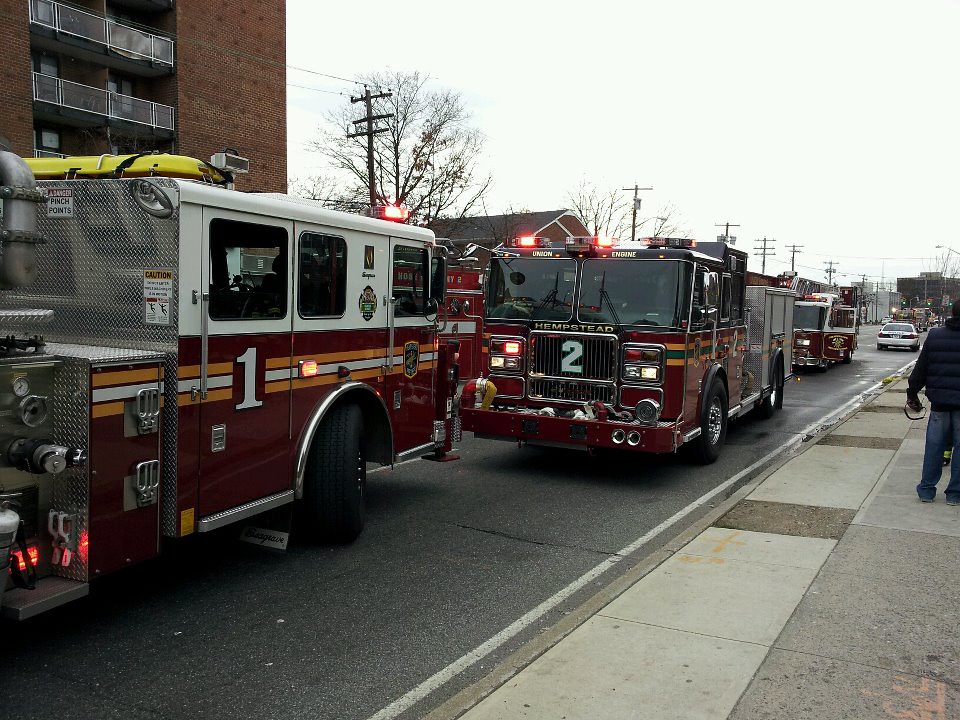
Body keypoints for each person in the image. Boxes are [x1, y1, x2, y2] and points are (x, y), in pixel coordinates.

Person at [907, 299, 960, 504]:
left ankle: (927, 490)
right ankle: (955, 494)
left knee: (934, 447)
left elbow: (921, 369)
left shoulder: (936, 335)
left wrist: (912, 393)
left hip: (939, 403)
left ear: (952, 313)